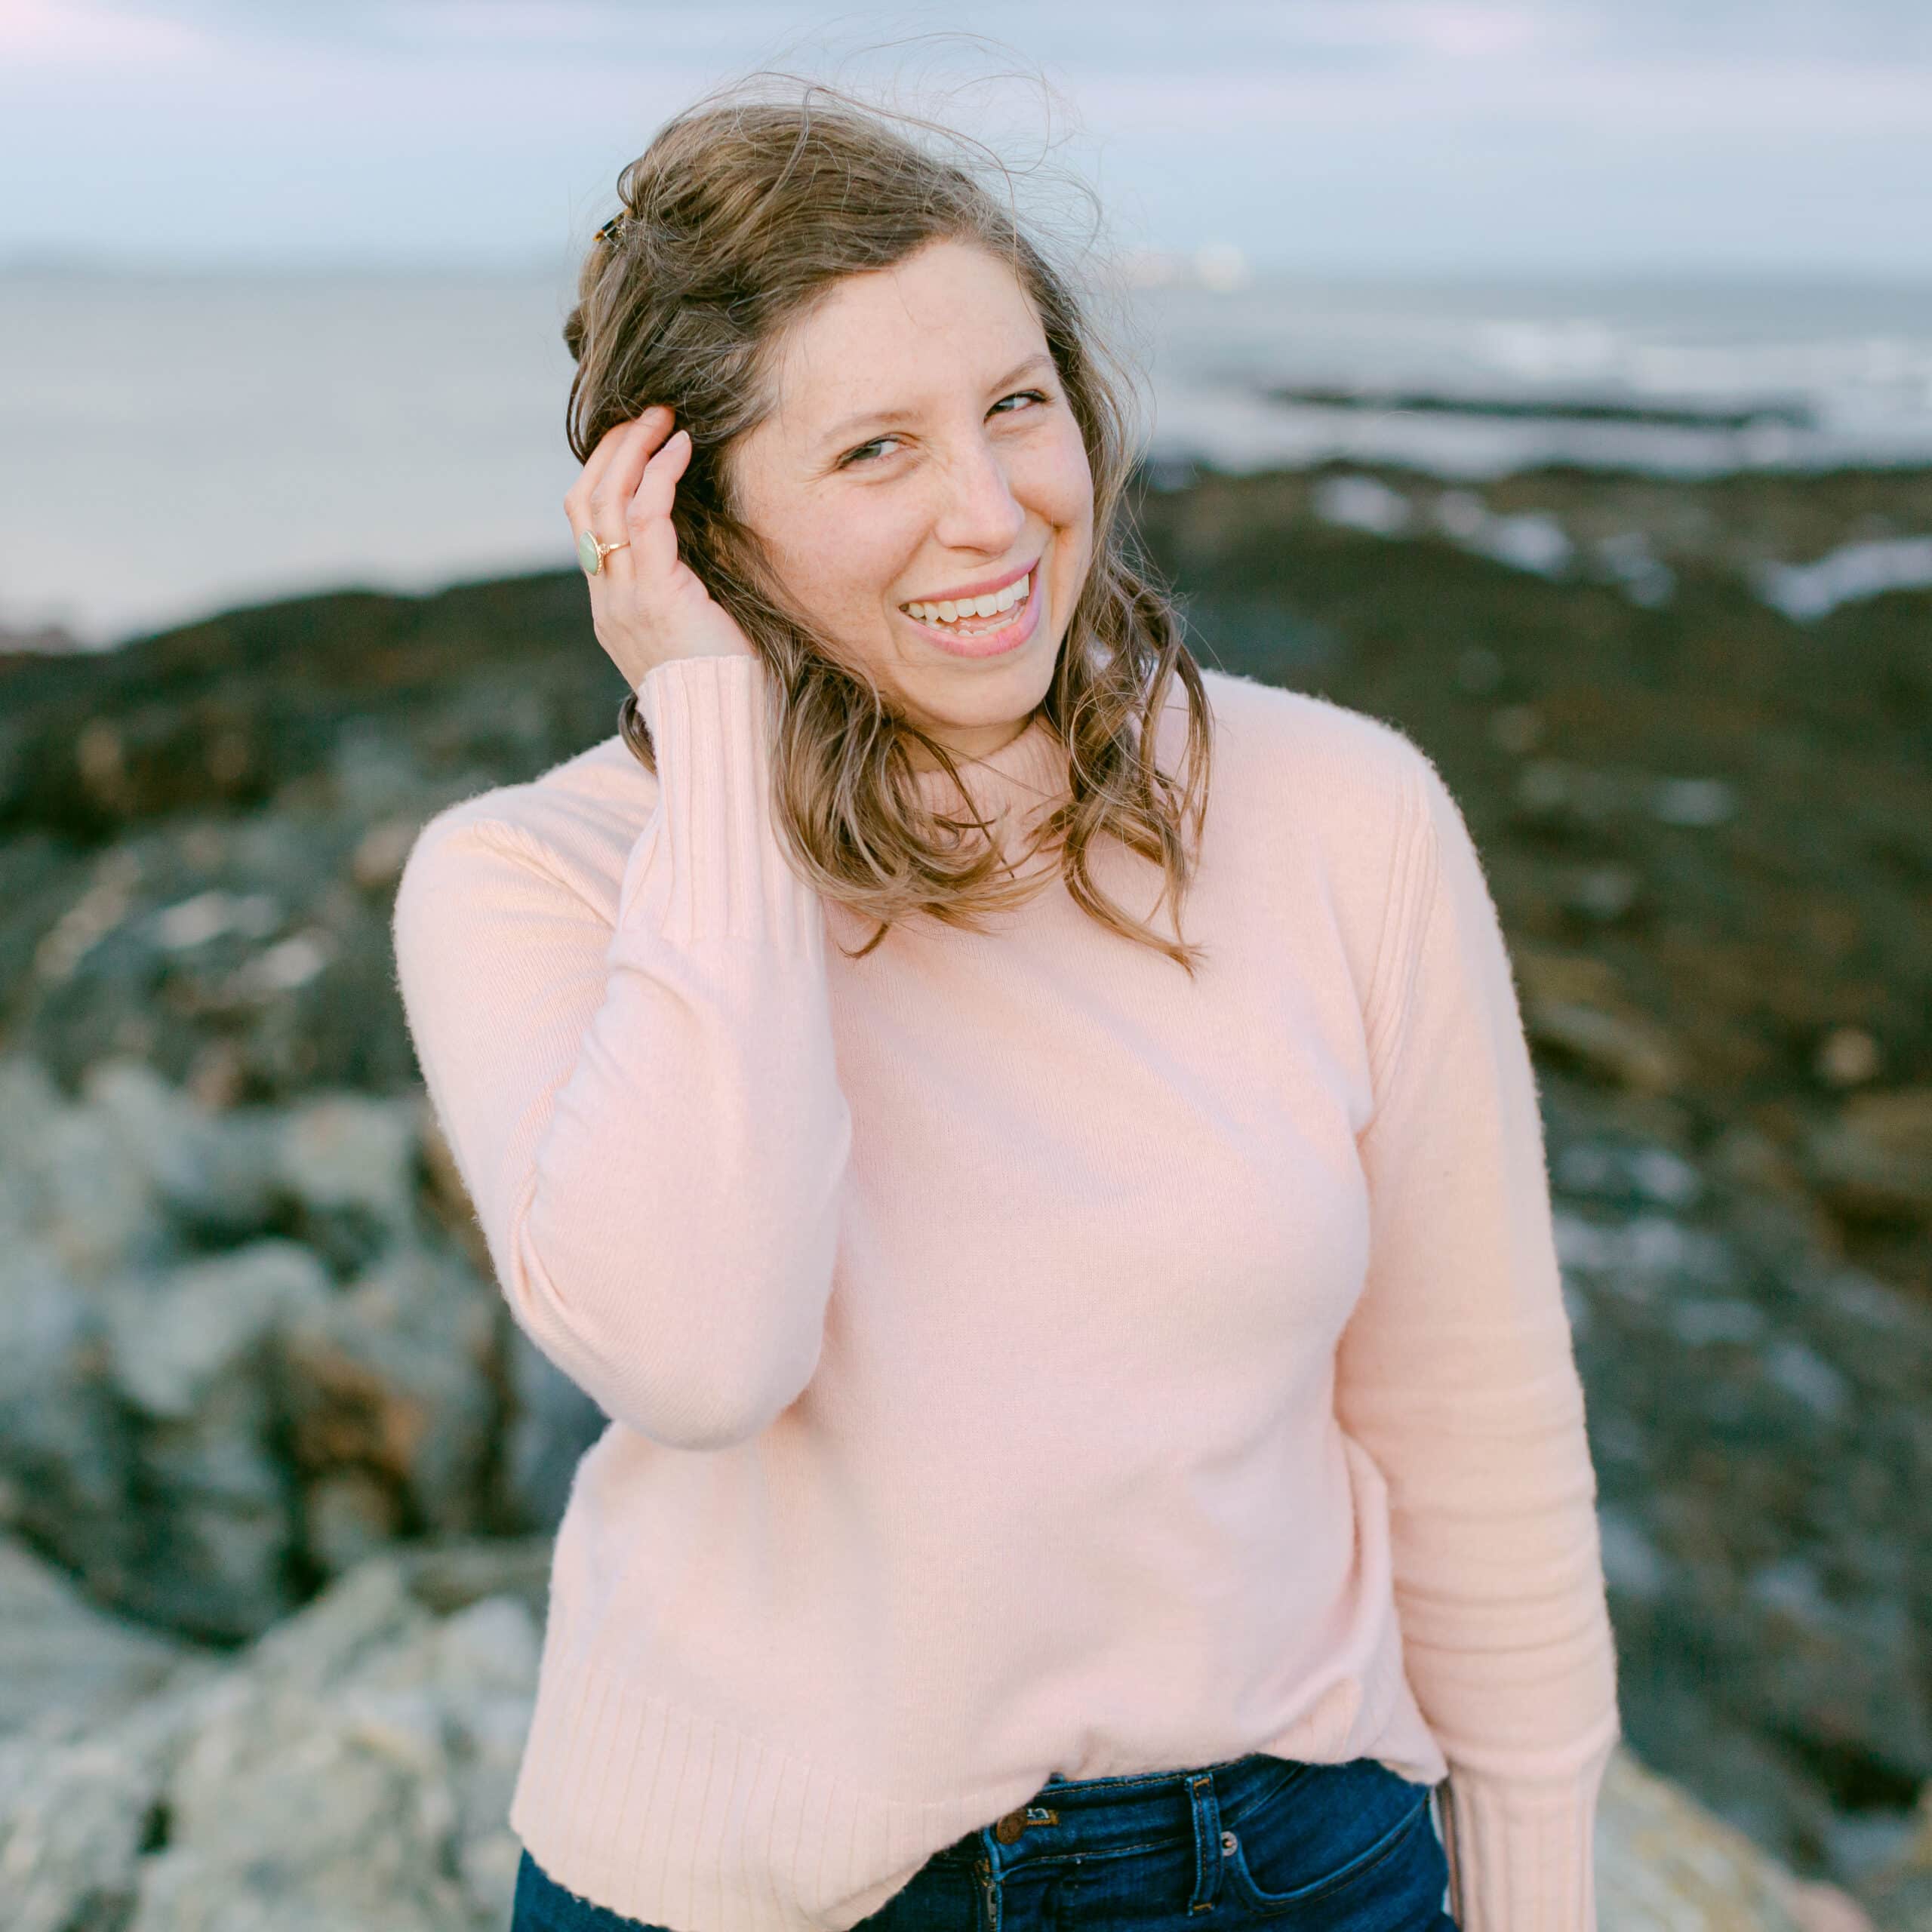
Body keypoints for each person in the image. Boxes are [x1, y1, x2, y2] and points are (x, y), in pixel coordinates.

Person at [389, 70, 1621, 1932]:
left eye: (1013, 407)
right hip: (763, 1897)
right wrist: (713, 742)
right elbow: (704, 1355)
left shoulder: (1339, 812)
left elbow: (1475, 1418)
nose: (992, 514)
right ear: (690, 517)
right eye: (872, 450)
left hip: (1299, 1871)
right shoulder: (533, 880)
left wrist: (1532, 1898)